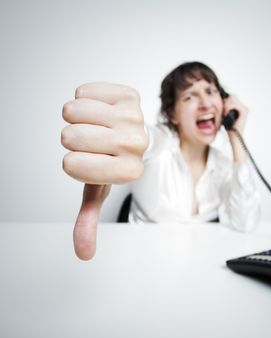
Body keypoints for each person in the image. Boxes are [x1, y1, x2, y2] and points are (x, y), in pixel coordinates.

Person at [61, 61, 260, 260]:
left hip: (201, 266)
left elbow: (246, 222)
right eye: (190, 96)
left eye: (211, 91)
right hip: (143, 263)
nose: (206, 104)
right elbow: (146, 139)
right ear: (172, 114)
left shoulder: (223, 163)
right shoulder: (162, 144)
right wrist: (128, 139)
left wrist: (236, 135)